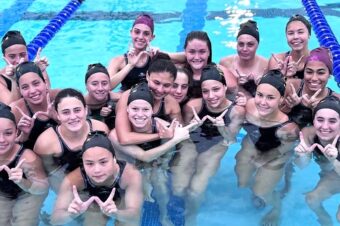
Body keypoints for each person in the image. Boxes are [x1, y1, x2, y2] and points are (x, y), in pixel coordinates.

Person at [110, 82, 192, 226]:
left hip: (151, 164)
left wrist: (162, 165)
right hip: (127, 173)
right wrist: (174, 139)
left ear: (152, 111)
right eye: (135, 109)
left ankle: (164, 215)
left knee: (161, 183)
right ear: (127, 110)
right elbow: (143, 156)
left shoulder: (161, 125)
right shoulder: (115, 135)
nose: (140, 114)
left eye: (145, 109)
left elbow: (169, 153)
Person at [182, 65, 246, 226]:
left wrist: (221, 127)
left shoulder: (236, 111)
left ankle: (191, 218)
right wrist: (192, 127)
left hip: (217, 146)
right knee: (179, 185)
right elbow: (181, 135)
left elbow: (231, 140)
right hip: (193, 141)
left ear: (225, 87)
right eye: (206, 91)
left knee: (195, 190)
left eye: (216, 89)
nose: (211, 96)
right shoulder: (193, 107)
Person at [235, 69, 299, 225]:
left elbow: (285, 149)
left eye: (270, 98)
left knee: (261, 191)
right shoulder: (250, 106)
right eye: (260, 95)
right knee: (242, 182)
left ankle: (276, 207)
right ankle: (261, 182)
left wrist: (263, 159)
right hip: (253, 145)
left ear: (281, 99)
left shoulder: (288, 128)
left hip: (277, 153)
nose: (262, 102)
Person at [50, 131, 143, 226]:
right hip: (91, 202)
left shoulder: (130, 175)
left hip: (121, 200)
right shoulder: (73, 180)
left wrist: (116, 213)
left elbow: (135, 216)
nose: (97, 170)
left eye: (103, 162)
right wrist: (72, 214)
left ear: (114, 159)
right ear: (83, 163)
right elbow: (55, 219)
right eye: (89, 163)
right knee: (93, 220)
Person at [33, 88, 109, 191]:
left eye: (77, 110)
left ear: (86, 110)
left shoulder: (100, 129)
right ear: (57, 115)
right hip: (67, 177)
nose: (73, 117)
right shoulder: (46, 143)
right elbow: (51, 172)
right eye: (66, 112)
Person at [0, 103, 49, 226]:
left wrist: (22, 181)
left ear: (16, 132)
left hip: (28, 194)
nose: (2, 140)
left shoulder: (26, 157)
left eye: (8, 133)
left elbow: (42, 188)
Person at [294, 96, 340, 226]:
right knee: (312, 199)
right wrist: (301, 156)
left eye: (332, 121)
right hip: (332, 177)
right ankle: (324, 219)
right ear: (313, 120)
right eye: (320, 120)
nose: (325, 126)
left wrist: (333, 161)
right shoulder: (308, 134)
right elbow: (302, 166)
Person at [115, 58, 182, 145]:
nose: (160, 90)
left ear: (173, 84)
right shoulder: (128, 97)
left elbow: (180, 133)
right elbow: (124, 138)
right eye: (156, 83)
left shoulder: (171, 103)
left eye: (166, 85)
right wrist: (160, 135)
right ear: (147, 76)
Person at [281, 47, 340, 129]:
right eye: (309, 72)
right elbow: (270, 116)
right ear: (304, 72)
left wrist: (315, 111)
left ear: (329, 75)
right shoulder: (291, 87)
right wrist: (288, 107)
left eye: (321, 73)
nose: (314, 78)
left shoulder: (336, 101)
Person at [171, 31, 238, 99]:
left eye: (202, 52)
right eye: (192, 52)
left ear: (209, 52)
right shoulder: (178, 72)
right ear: (185, 52)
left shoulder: (220, 72)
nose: (197, 57)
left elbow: (236, 94)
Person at [10, 61, 58, 150]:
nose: (32, 91)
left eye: (36, 83)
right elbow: (6, 146)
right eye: (25, 87)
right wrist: (24, 135)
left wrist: (58, 119)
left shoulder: (59, 98)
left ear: (45, 82)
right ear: (19, 90)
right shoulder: (15, 111)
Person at [220, 20, 268, 99]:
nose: (244, 49)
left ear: (257, 45)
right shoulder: (225, 63)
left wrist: (252, 86)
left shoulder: (266, 66)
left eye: (250, 44)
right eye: (241, 44)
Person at [108, 13, 155, 91]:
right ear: (131, 32)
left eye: (146, 34)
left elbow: (182, 56)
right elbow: (105, 88)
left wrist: (158, 56)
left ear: (152, 37)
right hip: (124, 101)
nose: (140, 37)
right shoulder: (118, 61)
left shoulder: (155, 58)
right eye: (137, 32)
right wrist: (129, 66)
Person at [1, 30, 50, 105]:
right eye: (12, 56)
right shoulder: (1, 79)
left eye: (22, 55)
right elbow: (11, 108)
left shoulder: (34, 68)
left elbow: (48, 97)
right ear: (4, 57)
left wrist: (41, 71)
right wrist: (14, 80)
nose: (18, 60)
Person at [268, 14, 311, 80]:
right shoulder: (278, 60)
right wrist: (284, 75)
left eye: (300, 32)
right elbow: (272, 89)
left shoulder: (318, 60)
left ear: (309, 35)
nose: (295, 37)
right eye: (291, 33)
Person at [84, 63, 120, 130]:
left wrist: (112, 108)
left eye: (104, 83)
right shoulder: (81, 102)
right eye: (94, 84)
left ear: (109, 85)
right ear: (86, 86)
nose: (100, 88)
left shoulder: (115, 98)